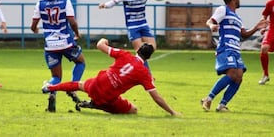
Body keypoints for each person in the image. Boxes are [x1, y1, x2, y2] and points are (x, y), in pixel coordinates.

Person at [42, 38, 181, 116]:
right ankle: (96, 105)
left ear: (137, 50)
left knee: (78, 84)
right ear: (148, 58)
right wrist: (172, 112)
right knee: (133, 110)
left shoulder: (124, 54)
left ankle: (50, 87)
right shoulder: (144, 73)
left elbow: (100, 45)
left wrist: (104, 40)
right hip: (107, 96)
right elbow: (156, 97)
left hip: (98, 82)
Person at [201, 0, 267, 112]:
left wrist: (257, 27)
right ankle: (208, 98)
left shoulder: (237, 18)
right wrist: (212, 26)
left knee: (239, 76)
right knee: (231, 74)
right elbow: (210, 21)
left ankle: (222, 105)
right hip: (226, 47)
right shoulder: (223, 9)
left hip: (236, 50)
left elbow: (244, 34)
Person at [31, 0, 86, 112]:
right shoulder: (65, 1)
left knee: (56, 76)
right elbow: (72, 21)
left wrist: (35, 30)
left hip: (50, 45)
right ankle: (73, 87)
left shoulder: (40, 4)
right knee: (80, 61)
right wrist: (77, 33)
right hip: (66, 42)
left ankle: (51, 91)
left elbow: (33, 25)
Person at [98, 0, 174, 70]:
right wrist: (105, 5)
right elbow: (114, 1)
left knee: (152, 47)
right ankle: (147, 74)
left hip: (143, 24)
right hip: (132, 26)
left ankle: (133, 65)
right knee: (140, 51)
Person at [258, 0, 274, 85]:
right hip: (272, 29)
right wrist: (263, 26)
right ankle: (265, 75)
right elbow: (264, 16)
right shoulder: (270, 3)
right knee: (264, 48)